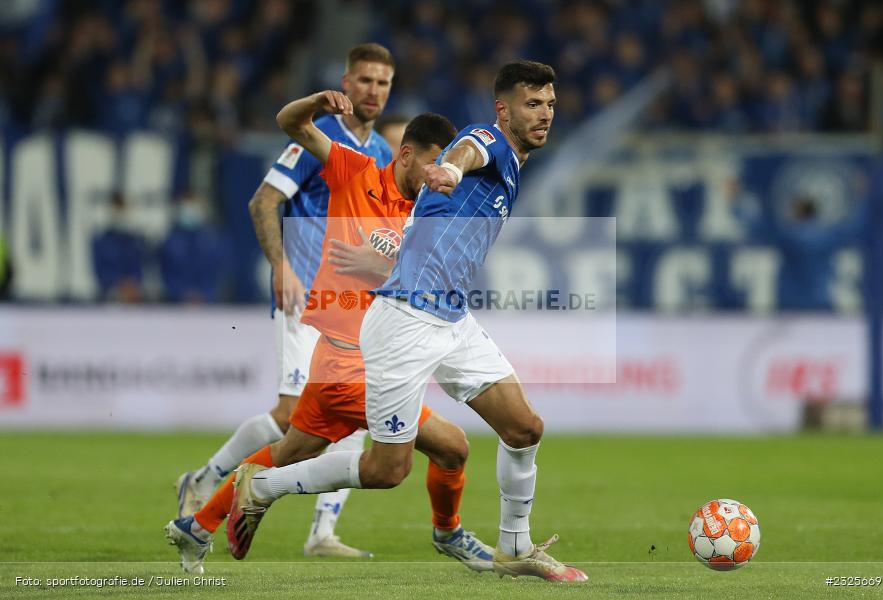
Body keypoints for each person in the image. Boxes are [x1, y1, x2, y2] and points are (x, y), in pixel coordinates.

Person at [229, 61, 588, 582]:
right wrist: (452, 168)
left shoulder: (514, 162)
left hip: (451, 317)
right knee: (386, 470)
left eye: (551, 104)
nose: (545, 114)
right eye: (533, 104)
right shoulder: (485, 140)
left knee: (524, 426)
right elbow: (470, 149)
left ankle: (516, 546)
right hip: (404, 321)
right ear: (504, 109)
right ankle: (261, 487)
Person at [167, 98, 493, 574]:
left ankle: (196, 527)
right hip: (352, 365)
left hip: (359, 363)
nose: (439, 176)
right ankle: (449, 533)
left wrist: (377, 265)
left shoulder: (427, 213)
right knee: (444, 449)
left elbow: (440, 280)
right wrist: (319, 103)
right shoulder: (354, 170)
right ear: (405, 155)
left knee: (287, 451)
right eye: (433, 164)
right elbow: (290, 123)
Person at [170, 44, 394, 560]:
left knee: (360, 411)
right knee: (294, 415)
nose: (373, 91)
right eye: (364, 80)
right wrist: (281, 266)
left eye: (382, 83)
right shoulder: (321, 138)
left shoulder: (381, 152)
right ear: (346, 80)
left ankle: (322, 533)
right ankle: (205, 480)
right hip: (305, 297)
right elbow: (263, 201)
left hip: (349, 305)